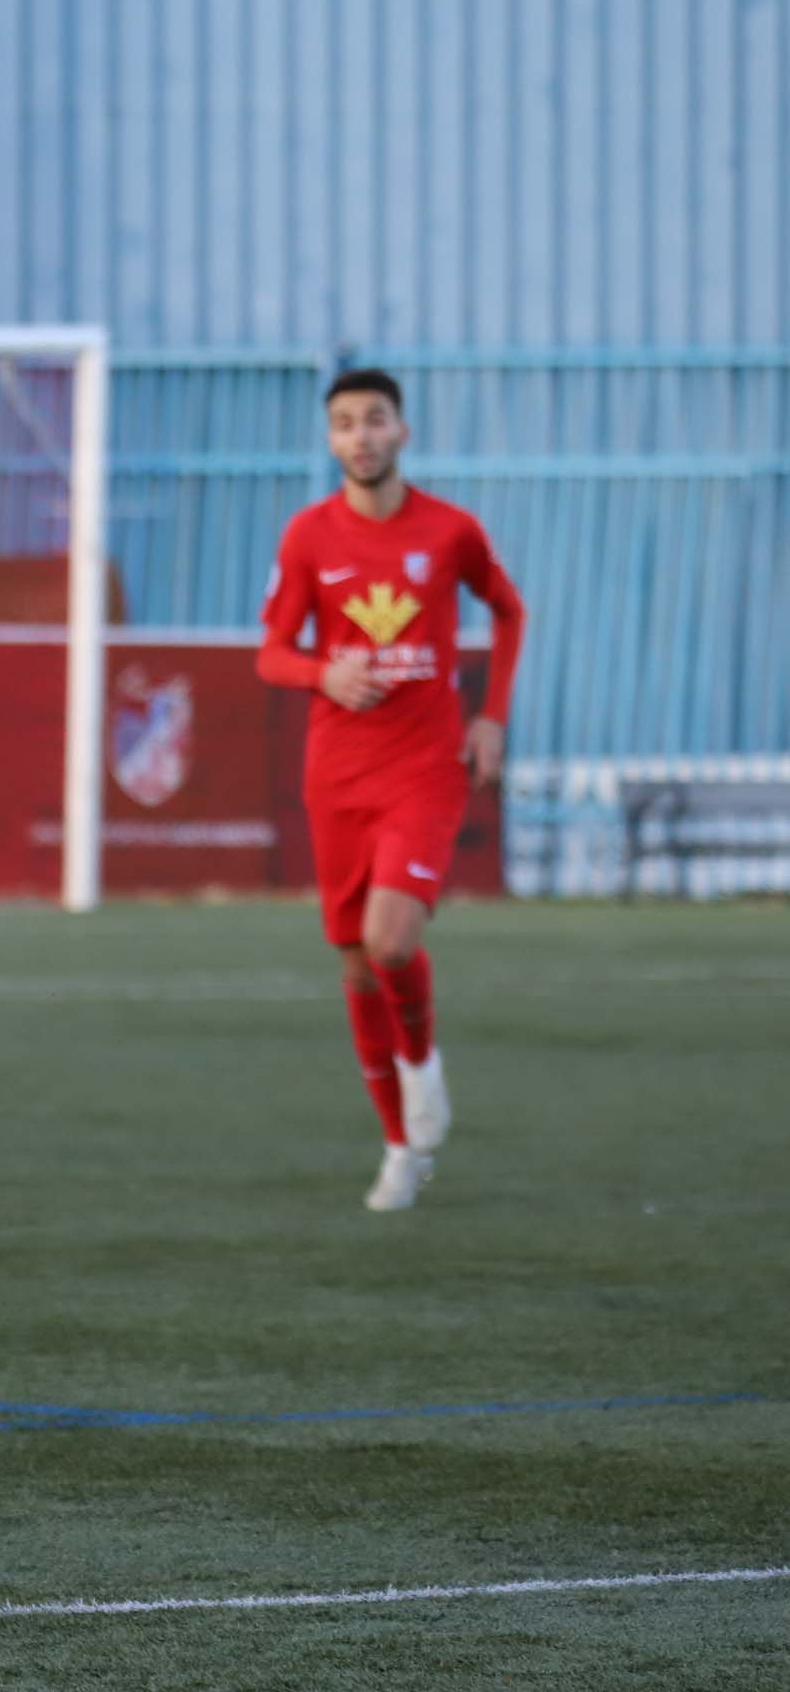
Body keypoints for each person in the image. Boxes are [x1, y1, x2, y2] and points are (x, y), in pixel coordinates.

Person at [256, 368, 525, 1212]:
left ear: (402, 431)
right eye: (344, 424)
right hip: (337, 774)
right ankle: (401, 1147)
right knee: (354, 961)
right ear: (330, 441)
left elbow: (509, 611)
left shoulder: (450, 532)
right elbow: (270, 651)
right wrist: (318, 673)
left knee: (392, 942)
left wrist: (492, 719)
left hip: (425, 767)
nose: (361, 437)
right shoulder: (308, 537)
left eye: (375, 420)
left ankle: (422, 1066)